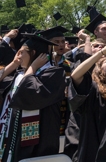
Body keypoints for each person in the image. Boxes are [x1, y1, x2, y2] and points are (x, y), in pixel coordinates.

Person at [0, 33, 66, 161]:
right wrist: (13, 64)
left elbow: (26, 91)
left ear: (34, 53)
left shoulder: (53, 73)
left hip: (39, 140)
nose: (18, 56)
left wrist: (34, 67)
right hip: (14, 135)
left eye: (21, 52)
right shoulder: (19, 75)